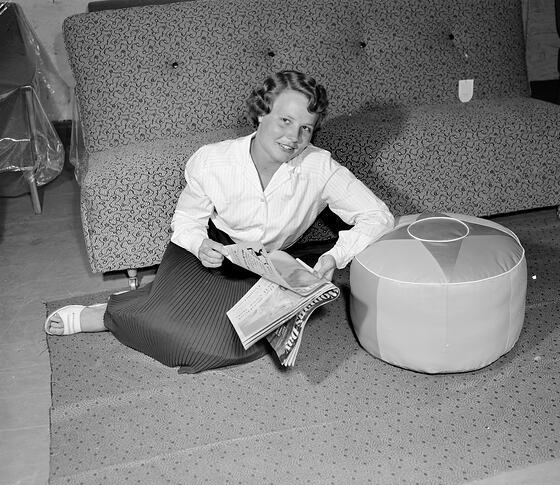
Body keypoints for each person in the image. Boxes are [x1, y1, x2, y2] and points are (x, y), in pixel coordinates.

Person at [45, 70, 394, 373]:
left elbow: (377, 216)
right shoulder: (213, 161)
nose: (294, 137)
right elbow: (185, 221)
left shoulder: (320, 168)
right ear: (261, 114)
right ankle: (110, 312)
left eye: (306, 128)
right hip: (211, 251)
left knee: (226, 345)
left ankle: (153, 300)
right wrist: (200, 245)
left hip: (268, 265)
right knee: (169, 331)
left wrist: (336, 256)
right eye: (285, 121)